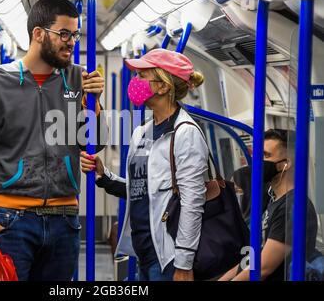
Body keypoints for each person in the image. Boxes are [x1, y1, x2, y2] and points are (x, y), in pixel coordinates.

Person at [0, 0, 107, 281]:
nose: (71, 42)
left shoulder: (79, 80)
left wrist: (95, 103)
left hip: (64, 217)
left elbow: (93, 142)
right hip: (7, 219)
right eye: (64, 33)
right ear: (38, 34)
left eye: (75, 34)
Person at [81, 48, 208, 281]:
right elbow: (141, 189)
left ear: (163, 86)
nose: (135, 82)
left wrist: (184, 263)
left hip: (168, 255)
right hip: (144, 251)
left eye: (142, 76)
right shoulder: (143, 132)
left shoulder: (185, 134)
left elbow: (192, 202)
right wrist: (105, 176)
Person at [219, 129, 318, 281]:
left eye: (266, 156)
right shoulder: (272, 198)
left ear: (285, 164)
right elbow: (252, 259)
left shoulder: (292, 207)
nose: (258, 161)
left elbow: (263, 268)